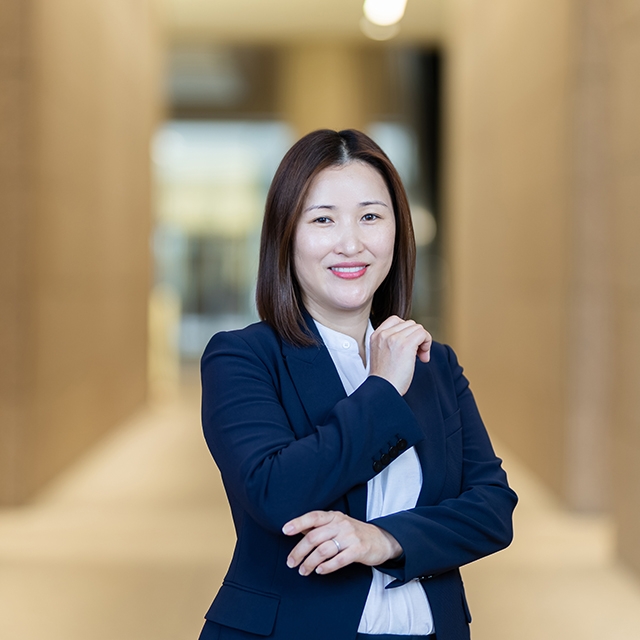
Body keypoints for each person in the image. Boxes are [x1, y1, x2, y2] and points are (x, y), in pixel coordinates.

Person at [199, 129, 517, 640]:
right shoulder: (242, 357)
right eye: (323, 219)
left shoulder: (434, 364)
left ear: (398, 231)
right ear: (286, 234)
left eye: (370, 217)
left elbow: (492, 509)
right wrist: (383, 389)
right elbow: (276, 493)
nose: (351, 243)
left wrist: (383, 540)